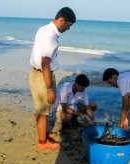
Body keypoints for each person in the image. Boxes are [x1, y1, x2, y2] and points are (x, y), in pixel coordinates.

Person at [29, 7, 76, 150]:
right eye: (68, 25)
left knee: (41, 108)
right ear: (61, 20)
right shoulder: (51, 37)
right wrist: (49, 88)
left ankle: (44, 134)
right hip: (43, 75)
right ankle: (43, 143)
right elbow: (44, 63)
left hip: (36, 73)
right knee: (43, 111)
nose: (68, 29)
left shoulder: (44, 29)